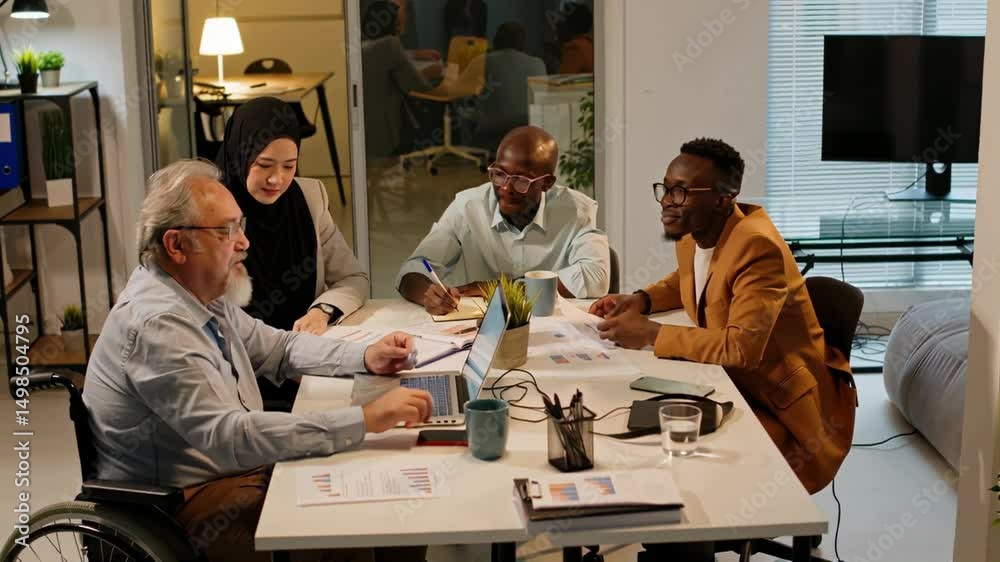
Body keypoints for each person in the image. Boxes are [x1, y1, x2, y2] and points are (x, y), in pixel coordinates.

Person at [83, 159, 432, 562]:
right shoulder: (157, 325)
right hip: (182, 503)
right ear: (176, 245)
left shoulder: (199, 294)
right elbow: (230, 436)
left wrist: (366, 355)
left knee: (388, 497)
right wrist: (365, 418)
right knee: (352, 515)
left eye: (240, 226)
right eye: (225, 231)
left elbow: (278, 348)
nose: (244, 242)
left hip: (229, 470)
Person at [591, 138, 857, 496]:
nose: (668, 201)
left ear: (722, 197)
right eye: (666, 188)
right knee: (632, 418)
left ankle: (688, 540)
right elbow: (689, 278)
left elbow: (741, 347)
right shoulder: (697, 232)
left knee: (673, 456)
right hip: (727, 381)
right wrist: (640, 299)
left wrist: (652, 334)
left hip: (779, 407)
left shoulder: (756, 247)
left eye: (682, 191)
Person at [397, 125, 610, 314]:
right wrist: (429, 294)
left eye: (521, 180)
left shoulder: (577, 210)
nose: (506, 188)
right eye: (499, 174)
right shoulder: (468, 206)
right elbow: (412, 270)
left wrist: (502, 289)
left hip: (553, 326)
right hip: (483, 330)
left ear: (546, 183)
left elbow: (596, 276)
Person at [361, 0, 442, 157]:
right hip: (388, 128)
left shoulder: (365, 44)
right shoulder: (390, 44)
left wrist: (415, 55)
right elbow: (418, 86)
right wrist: (429, 73)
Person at [467, 22, 548, 150]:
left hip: (492, 125)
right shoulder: (538, 63)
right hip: (529, 123)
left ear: (496, 40)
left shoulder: (482, 60)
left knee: (467, 109)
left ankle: (470, 148)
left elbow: (461, 91)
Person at [557, 3, 594, 74]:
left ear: (569, 24)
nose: (557, 25)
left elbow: (563, 81)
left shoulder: (574, 48)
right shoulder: (590, 44)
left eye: (560, 20)